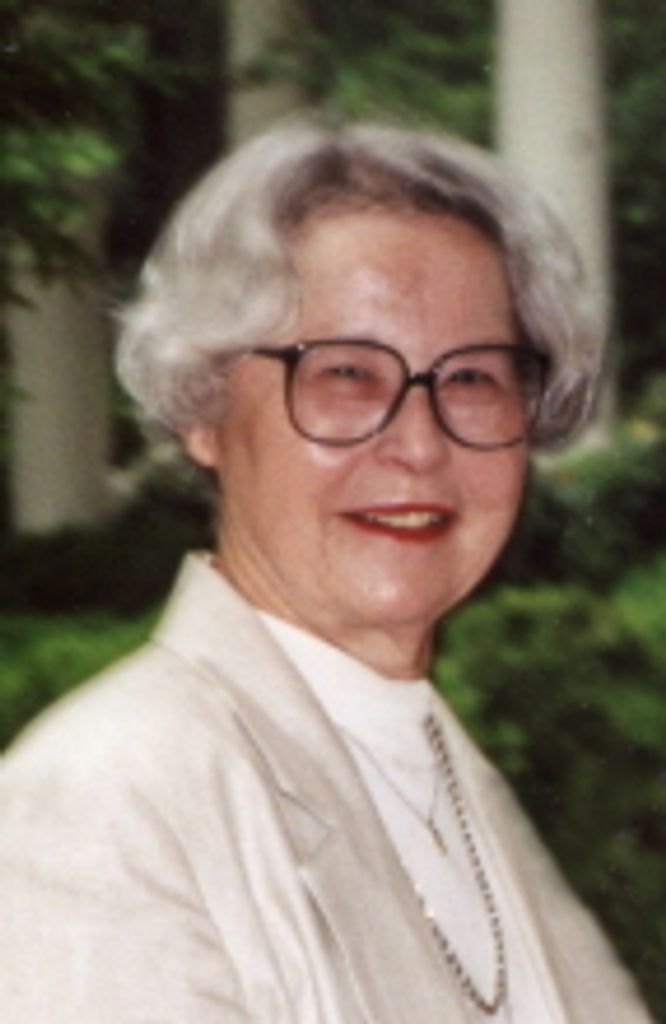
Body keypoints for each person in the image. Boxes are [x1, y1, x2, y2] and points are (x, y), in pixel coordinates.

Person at [0, 119, 652, 1023]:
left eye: (471, 379)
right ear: (203, 409)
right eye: (346, 374)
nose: (419, 445)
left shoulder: (442, 770)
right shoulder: (108, 801)